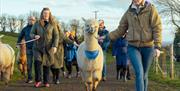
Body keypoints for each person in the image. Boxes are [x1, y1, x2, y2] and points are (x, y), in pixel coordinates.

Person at [109, 0, 162, 91]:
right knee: (139, 73)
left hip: (148, 47)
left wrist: (157, 46)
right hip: (133, 47)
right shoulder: (128, 12)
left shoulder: (151, 9)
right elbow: (120, 29)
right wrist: (107, 37)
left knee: (144, 74)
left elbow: (157, 27)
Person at [30, 7, 59, 87]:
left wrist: (55, 46)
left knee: (47, 64)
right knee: (37, 63)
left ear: (49, 14)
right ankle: (38, 80)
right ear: (42, 14)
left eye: (47, 13)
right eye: (44, 13)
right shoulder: (37, 23)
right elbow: (31, 33)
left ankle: (46, 81)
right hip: (37, 47)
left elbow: (56, 36)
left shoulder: (53, 24)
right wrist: (34, 36)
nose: (46, 14)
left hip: (48, 48)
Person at [16, 16, 36, 83]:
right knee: (29, 64)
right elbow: (20, 36)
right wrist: (18, 43)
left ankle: (38, 78)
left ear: (35, 21)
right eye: (30, 19)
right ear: (28, 20)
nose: (31, 21)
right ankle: (30, 78)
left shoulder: (37, 28)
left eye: (33, 20)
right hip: (28, 48)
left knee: (37, 64)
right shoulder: (25, 29)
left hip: (37, 48)